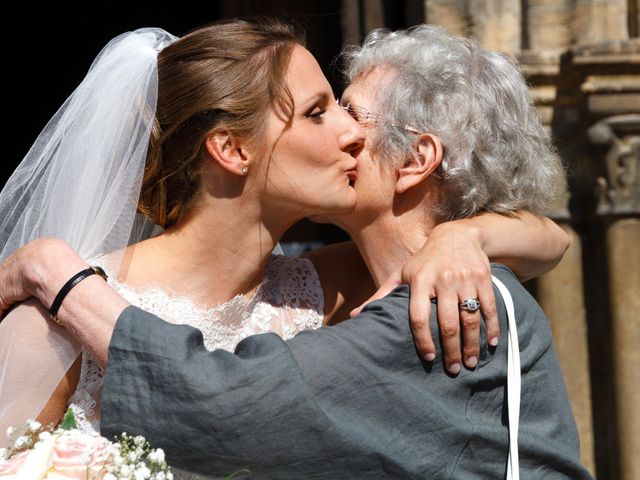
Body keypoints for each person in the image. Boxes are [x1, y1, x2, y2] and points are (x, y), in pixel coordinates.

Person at [0, 25, 590, 478]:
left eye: (349, 111)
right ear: (231, 149)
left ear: (417, 160)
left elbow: (220, 403)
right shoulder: (50, 323)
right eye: (319, 111)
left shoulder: (389, 300)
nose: (348, 133)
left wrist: (51, 268)